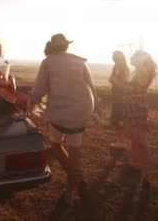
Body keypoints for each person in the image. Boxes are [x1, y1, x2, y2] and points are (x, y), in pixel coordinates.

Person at [29, 33, 97, 209]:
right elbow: (91, 86)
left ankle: (76, 180)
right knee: (75, 149)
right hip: (83, 108)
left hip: (61, 111)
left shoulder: (48, 61)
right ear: (67, 46)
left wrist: (27, 110)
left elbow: (39, 90)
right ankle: (71, 190)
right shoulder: (80, 61)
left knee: (57, 144)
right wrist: (94, 110)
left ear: (53, 46)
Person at [121, 49, 158, 190]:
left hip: (138, 111)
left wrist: (141, 61)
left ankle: (148, 174)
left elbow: (141, 84)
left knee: (141, 143)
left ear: (140, 60)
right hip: (129, 110)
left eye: (134, 56)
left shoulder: (143, 73)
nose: (131, 57)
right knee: (133, 140)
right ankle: (135, 165)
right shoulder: (134, 72)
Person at [109, 51, 130, 149]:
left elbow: (122, 85)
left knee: (120, 120)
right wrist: (114, 79)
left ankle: (123, 142)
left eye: (115, 58)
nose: (113, 59)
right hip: (116, 96)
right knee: (116, 120)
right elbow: (111, 80)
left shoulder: (125, 69)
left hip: (121, 97)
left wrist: (114, 79)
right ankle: (120, 141)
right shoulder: (116, 68)